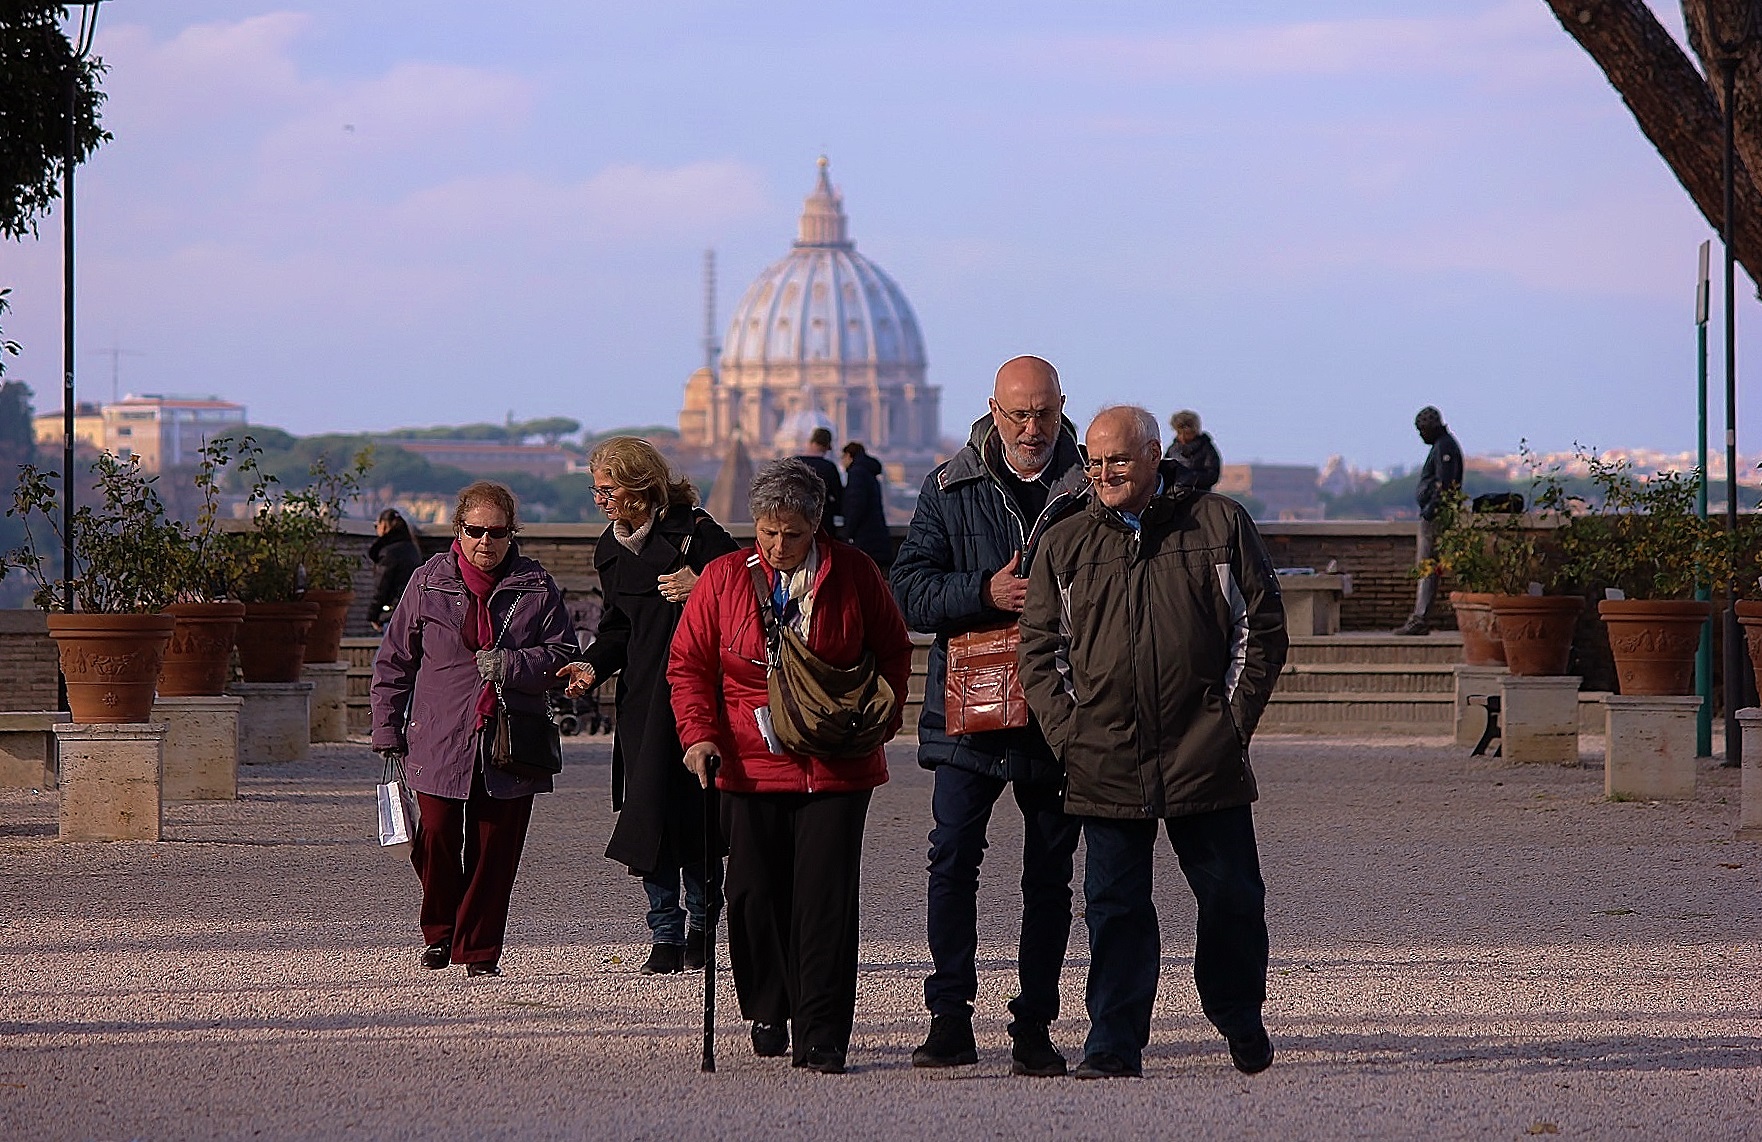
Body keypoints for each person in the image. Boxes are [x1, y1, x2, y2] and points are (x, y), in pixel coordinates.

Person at [1019, 405, 1288, 1080]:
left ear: (1154, 456)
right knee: (1114, 908)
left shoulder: (1218, 524)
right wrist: (1071, 735)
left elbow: (1260, 631)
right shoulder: (1067, 541)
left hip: (1205, 752)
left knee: (1232, 898)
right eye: (1096, 462)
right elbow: (1042, 650)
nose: (1105, 473)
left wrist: (1230, 725)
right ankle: (1113, 1040)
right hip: (1104, 755)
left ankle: (1236, 1012)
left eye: (1119, 460)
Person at [667, 459, 913, 1074]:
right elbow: (690, 667)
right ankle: (768, 1005)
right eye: (768, 532)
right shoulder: (724, 578)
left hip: (837, 766)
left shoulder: (854, 572)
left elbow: (894, 650)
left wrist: (879, 718)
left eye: (793, 534)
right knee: (752, 892)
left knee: (825, 900)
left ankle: (822, 1030)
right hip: (748, 765)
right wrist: (698, 737)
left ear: (817, 526)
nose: (778, 546)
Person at [890, 354, 1090, 1076]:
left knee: (1050, 874)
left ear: (1063, 407)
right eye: (1017, 413)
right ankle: (949, 1018)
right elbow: (909, 591)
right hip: (969, 707)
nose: (1031, 427)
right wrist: (986, 591)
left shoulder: (1091, 485)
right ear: (992, 410)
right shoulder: (950, 486)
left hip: (1057, 710)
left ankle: (1033, 1026)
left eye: (1042, 412)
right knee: (951, 860)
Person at [371, 481, 577, 977]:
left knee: (495, 848)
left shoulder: (536, 585)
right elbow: (394, 660)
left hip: (510, 737)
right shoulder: (428, 580)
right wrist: (386, 730)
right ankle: (440, 932)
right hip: (440, 730)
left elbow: (564, 655)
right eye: (475, 530)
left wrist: (511, 665)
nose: (486, 541)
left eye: (497, 531)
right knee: (437, 835)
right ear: (458, 531)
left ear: (512, 534)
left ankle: (479, 948)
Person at [555, 438, 739, 976]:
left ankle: (704, 925)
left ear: (640, 487)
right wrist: (593, 666)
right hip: (640, 703)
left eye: (608, 489)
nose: (600, 499)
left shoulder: (698, 535)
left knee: (697, 817)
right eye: (597, 489)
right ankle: (664, 928)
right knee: (646, 814)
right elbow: (618, 628)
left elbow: (753, 598)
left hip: (697, 700)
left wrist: (703, 585)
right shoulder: (610, 551)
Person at [1396, 406, 1464, 636]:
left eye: (1422, 430)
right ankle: (1420, 617)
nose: (1420, 435)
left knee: (1427, 567)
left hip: (1434, 518)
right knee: (1427, 567)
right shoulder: (1440, 445)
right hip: (1432, 514)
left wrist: (1430, 510)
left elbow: (1445, 485)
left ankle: (1420, 618)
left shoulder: (1445, 446)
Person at [838, 441, 893, 573]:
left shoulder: (857, 474)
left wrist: (848, 532)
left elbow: (856, 505)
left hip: (864, 538)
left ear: (849, 456)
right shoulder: (868, 472)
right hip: (876, 536)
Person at [367, 509, 422, 631]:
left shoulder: (389, 552)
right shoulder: (412, 549)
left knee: (389, 648)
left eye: (377, 525)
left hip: (393, 612)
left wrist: (374, 615)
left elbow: (382, 586)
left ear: (384, 525)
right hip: (412, 609)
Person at [796, 426, 843, 534]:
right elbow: (839, 496)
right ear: (827, 446)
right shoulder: (828, 467)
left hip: (797, 520)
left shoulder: (795, 464)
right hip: (823, 522)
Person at [1164, 409, 1221, 492]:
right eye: (1179, 433)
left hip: (1199, 495)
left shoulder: (1206, 448)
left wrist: (1191, 478)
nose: (1183, 437)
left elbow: (1212, 475)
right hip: (1175, 495)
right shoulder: (1173, 449)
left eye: (1186, 433)